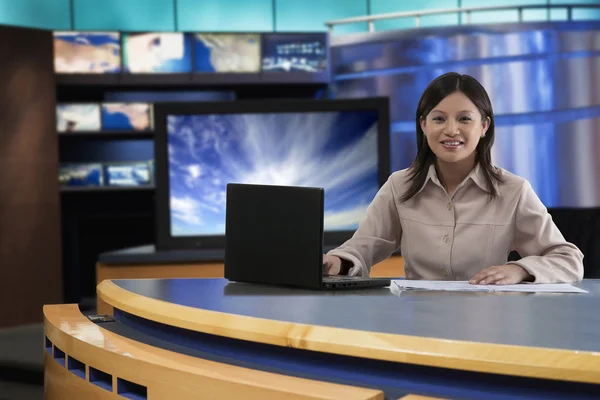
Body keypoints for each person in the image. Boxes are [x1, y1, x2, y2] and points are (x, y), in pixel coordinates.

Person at [323, 72, 584, 285]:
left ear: (484, 126)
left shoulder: (514, 191)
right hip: (417, 321)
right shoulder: (399, 186)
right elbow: (363, 246)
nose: (451, 130)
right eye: (439, 119)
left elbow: (568, 259)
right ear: (424, 126)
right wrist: (338, 262)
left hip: (489, 323)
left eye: (464, 119)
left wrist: (520, 270)